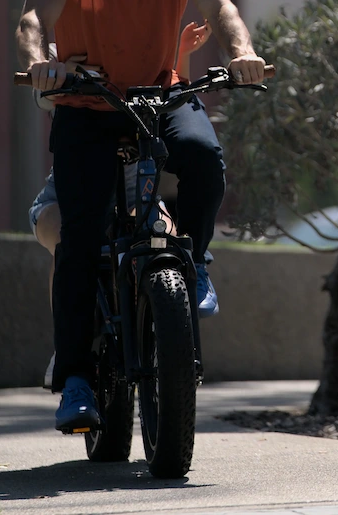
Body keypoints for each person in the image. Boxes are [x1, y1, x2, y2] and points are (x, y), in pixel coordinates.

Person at [18, 0, 266, 433]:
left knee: (204, 155)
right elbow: (34, 17)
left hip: (159, 96)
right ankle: (75, 378)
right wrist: (40, 64)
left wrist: (243, 51)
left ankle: (196, 260)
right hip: (88, 103)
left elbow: (221, 4)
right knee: (79, 238)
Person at [28, 21, 212, 389]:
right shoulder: (64, 49)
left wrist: (183, 55)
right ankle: (66, 345)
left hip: (138, 195)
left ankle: (170, 337)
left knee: (172, 243)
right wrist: (66, 70)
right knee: (70, 245)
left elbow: (175, 99)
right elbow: (44, 96)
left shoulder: (147, 56)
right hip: (67, 197)